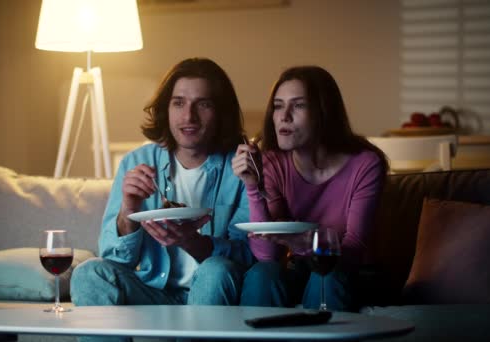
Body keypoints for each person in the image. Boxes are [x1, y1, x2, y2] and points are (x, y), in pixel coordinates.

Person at [70, 58, 254, 338]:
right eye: (178, 103)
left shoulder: (240, 167)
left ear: (220, 112)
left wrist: (194, 242)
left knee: (216, 269)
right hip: (152, 293)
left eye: (202, 104)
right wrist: (129, 208)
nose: (188, 117)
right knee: (89, 273)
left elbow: (250, 256)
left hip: (212, 295)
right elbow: (113, 257)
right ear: (166, 109)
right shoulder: (138, 161)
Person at [232, 65, 388, 311]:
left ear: (324, 112)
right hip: (300, 270)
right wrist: (253, 187)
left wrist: (303, 243)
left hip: (352, 274)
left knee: (326, 275)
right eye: (278, 105)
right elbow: (267, 256)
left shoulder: (365, 164)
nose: (284, 116)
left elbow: (355, 249)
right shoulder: (272, 162)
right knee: (263, 273)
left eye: (299, 105)